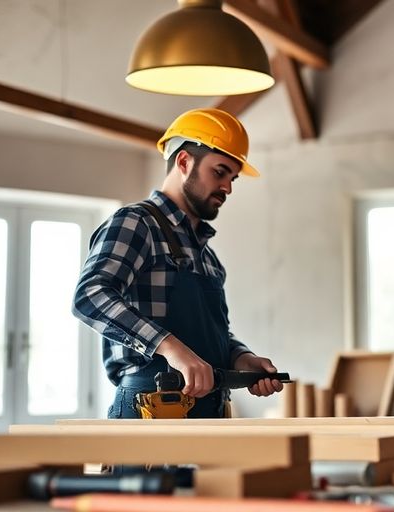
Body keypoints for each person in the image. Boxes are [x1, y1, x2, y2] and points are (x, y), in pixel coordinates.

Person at [73, 107, 283, 419]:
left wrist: (241, 359)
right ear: (184, 162)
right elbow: (90, 296)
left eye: (233, 178)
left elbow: (212, 337)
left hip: (212, 410)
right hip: (153, 408)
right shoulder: (136, 223)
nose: (228, 188)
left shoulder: (207, 257)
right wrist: (171, 348)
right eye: (220, 172)